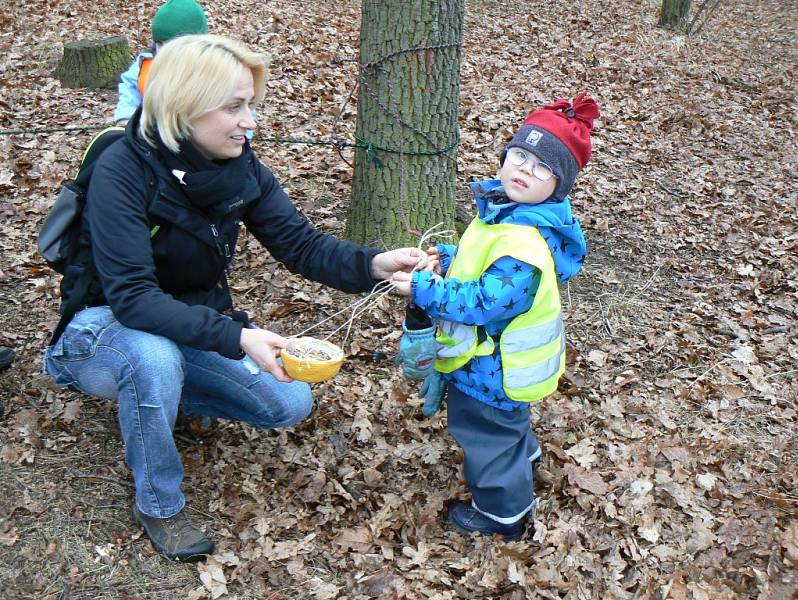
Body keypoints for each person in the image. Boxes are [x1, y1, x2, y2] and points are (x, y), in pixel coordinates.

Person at [43, 34, 424, 562]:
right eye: (234, 107)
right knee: (149, 357)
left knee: (288, 402)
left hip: (187, 321)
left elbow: (299, 243)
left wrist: (374, 265)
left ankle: (162, 395)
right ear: (185, 107)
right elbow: (132, 299)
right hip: (100, 329)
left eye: (251, 104)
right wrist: (238, 336)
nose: (251, 122)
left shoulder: (238, 167)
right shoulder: (121, 169)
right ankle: (159, 502)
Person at [392, 93, 599, 540]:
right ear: (504, 158)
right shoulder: (506, 212)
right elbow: (483, 263)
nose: (525, 169)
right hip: (497, 365)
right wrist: (448, 259)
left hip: (494, 367)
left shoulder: (525, 243)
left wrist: (427, 288)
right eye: (520, 155)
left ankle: (503, 514)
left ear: (559, 186)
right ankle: (523, 460)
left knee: (485, 435)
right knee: (507, 424)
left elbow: (487, 300)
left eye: (542, 167)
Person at [113, 0, 208, 126]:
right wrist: (126, 116)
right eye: (160, 45)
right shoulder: (145, 64)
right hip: (149, 134)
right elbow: (129, 88)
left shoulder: (213, 69)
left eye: (176, 49)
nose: (165, 53)